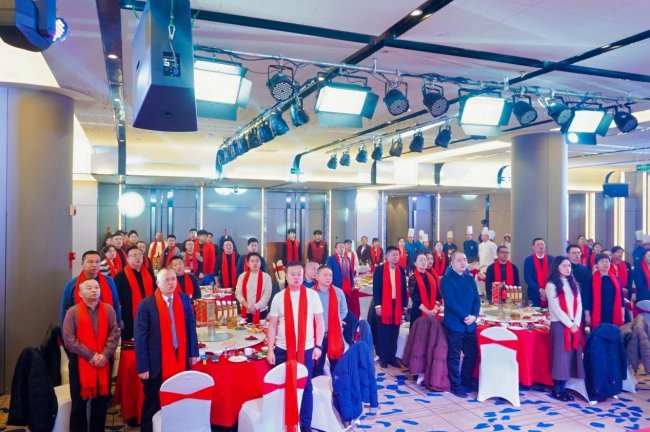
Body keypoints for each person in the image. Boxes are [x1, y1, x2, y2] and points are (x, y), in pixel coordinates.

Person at [134, 269, 199, 432]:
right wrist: (143, 366)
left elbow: (191, 326)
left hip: (180, 357)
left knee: (179, 401)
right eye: (166, 280)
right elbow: (140, 338)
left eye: (173, 279)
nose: (171, 283)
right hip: (156, 363)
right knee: (153, 404)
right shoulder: (146, 305)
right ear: (158, 283)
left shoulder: (183, 299)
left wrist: (194, 352)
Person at [267, 262, 324, 432]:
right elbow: (272, 325)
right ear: (286, 276)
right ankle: (286, 424)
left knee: (305, 387)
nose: (296, 277)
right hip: (282, 349)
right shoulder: (279, 297)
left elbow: (320, 323)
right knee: (283, 386)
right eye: (292, 274)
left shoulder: (312, 295)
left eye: (299, 274)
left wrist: (318, 346)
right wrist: (270, 349)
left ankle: (305, 426)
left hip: (306, 349)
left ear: (303, 274)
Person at [62, 279, 120, 432]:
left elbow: (114, 334)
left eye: (97, 287)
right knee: (79, 403)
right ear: (80, 293)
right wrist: (91, 356)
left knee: (101, 403)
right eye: (89, 288)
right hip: (80, 362)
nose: (94, 290)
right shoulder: (72, 312)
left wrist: (104, 355)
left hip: (104, 361)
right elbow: (68, 339)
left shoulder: (108, 310)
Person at [113, 246, 156, 425]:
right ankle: (131, 409)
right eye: (134, 256)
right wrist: (120, 320)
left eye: (140, 255)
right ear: (127, 258)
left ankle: (148, 405)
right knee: (132, 365)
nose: (138, 258)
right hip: (129, 325)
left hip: (150, 325)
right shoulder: (120, 277)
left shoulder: (149, 274)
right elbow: (116, 302)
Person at [441, 252, 480, 398]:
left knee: (472, 354)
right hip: (455, 324)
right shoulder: (446, 279)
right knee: (454, 356)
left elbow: (477, 300)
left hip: (470, 324)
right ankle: (455, 385)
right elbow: (450, 302)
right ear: (452, 263)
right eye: (459, 260)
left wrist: (474, 316)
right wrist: (465, 316)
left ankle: (466, 381)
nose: (463, 263)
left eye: (465, 260)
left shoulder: (469, 279)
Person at [545, 256, 584, 401]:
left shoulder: (573, 283)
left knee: (570, 357)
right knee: (560, 358)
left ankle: (564, 388)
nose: (568, 268)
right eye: (564, 266)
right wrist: (570, 324)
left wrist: (576, 323)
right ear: (557, 267)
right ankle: (557, 389)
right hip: (560, 324)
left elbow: (579, 305)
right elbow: (556, 308)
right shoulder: (551, 285)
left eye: (569, 266)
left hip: (574, 324)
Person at [61, 250, 122, 327]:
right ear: (82, 263)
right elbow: (65, 310)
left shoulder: (109, 281)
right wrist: (65, 331)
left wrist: (118, 326)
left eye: (97, 262)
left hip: (107, 326)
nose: (94, 265)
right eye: (90, 262)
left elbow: (116, 305)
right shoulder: (72, 284)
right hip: (80, 328)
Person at [373, 246, 408, 369]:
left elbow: (404, 289)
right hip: (384, 304)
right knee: (383, 332)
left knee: (394, 331)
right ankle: (383, 358)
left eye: (397, 255)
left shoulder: (401, 270)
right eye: (393, 255)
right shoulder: (379, 270)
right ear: (387, 256)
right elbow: (376, 289)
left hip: (397, 304)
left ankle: (392, 357)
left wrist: (404, 305)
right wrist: (378, 305)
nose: (395, 257)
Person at [313, 265, 347, 377]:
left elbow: (344, 310)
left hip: (334, 334)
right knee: (317, 367)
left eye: (330, 275)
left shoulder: (338, 292)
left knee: (336, 367)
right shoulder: (311, 293)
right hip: (317, 336)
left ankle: (336, 387)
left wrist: (337, 320)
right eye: (325, 275)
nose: (328, 278)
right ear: (317, 277)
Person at [584, 254, 624, 330]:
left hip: (613, 312)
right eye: (602, 262)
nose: (605, 264)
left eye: (607, 261)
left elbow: (621, 297)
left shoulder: (616, 279)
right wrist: (587, 315)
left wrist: (622, 314)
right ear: (597, 265)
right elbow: (587, 298)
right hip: (598, 313)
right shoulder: (591, 280)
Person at [235, 252, 273, 323]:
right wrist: (248, 306)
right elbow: (238, 293)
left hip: (261, 312)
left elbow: (267, 296)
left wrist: (255, 307)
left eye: (257, 261)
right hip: (245, 311)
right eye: (252, 261)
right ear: (248, 264)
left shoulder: (266, 277)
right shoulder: (242, 276)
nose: (255, 263)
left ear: (260, 263)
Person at [326, 242, 359, 318]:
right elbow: (329, 273)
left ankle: (344, 318)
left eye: (343, 247)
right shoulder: (331, 259)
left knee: (346, 304)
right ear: (336, 249)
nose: (342, 249)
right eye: (340, 247)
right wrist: (331, 285)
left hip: (347, 286)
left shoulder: (347, 258)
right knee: (337, 305)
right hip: (336, 285)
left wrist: (352, 284)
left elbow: (350, 273)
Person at [408, 252, 441, 325]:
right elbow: (415, 299)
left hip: (433, 312)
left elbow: (437, 295)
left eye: (425, 260)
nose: (424, 262)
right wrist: (427, 312)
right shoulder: (412, 278)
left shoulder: (431, 277)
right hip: (419, 313)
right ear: (415, 263)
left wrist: (435, 309)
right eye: (421, 260)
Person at [523, 238, 554, 307]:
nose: (541, 246)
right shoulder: (528, 260)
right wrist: (540, 290)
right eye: (538, 245)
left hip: (549, 292)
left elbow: (554, 276)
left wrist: (547, 290)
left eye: (542, 244)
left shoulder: (552, 259)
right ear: (533, 247)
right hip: (534, 292)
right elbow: (527, 278)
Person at [477, 227, 498, 297]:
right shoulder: (480, 245)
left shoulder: (492, 245)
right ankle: (481, 295)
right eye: (482, 236)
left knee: (489, 283)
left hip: (490, 267)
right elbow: (480, 256)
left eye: (484, 236)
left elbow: (496, 257)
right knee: (480, 283)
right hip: (481, 267)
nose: (483, 237)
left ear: (488, 236)